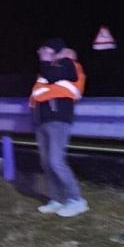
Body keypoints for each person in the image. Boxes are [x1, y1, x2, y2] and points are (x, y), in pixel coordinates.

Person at [30, 38, 88, 218]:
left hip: (58, 119)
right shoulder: (48, 70)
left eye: (44, 49)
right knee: (46, 163)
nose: (40, 52)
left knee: (56, 161)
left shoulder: (68, 65)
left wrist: (48, 60)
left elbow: (53, 80)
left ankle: (77, 200)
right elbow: (38, 93)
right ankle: (56, 199)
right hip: (42, 120)